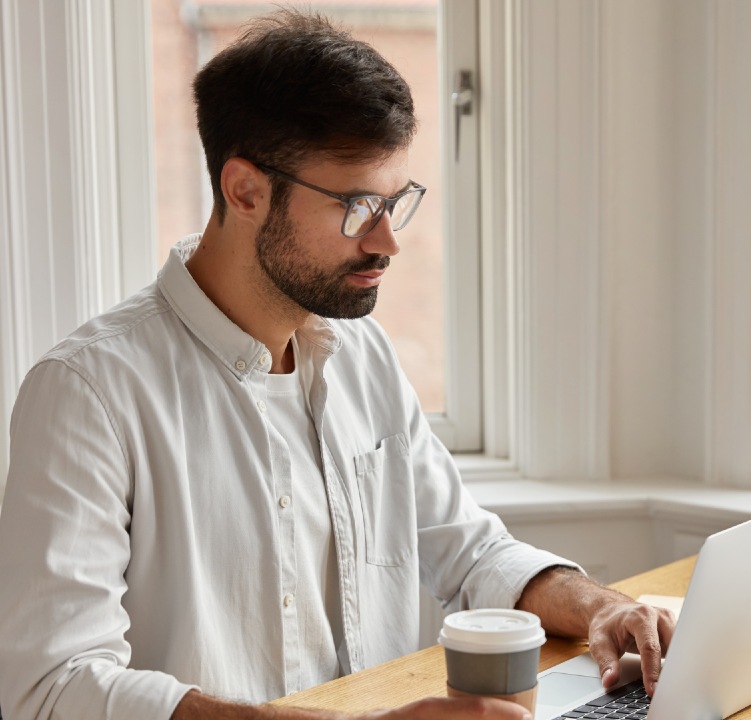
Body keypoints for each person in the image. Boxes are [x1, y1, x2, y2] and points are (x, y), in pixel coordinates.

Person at [0, 10, 673, 720]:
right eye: (357, 206)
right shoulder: (88, 392)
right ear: (245, 191)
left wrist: (605, 608)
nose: (387, 241)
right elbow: (51, 687)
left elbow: (469, 551)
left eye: (395, 202)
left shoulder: (363, 356)